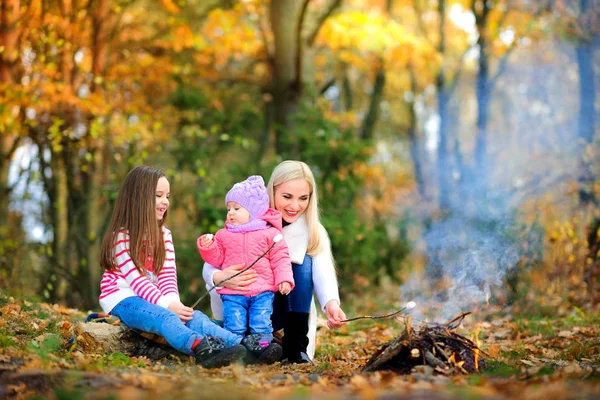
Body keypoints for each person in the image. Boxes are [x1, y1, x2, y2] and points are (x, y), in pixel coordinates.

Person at [98, 165, 247, 369]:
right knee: (165, 317)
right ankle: (201, 348)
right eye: (158, 195)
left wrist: (174, 303)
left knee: (192, 316)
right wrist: (167, 306)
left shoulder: (163, 234)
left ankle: (244, 347)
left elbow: (168, 275)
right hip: (123, 298)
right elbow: (137, 280)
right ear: (137, 198)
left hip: (152, 297)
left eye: (167, 196)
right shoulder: (122, 237)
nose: (165, 202)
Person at [203, 160, 347, 364]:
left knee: (301, 262)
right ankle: (242, 344)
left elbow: (323, 271)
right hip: (239, 304)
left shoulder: (311, 230)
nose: (295, 205)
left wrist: (331, 304)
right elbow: (217, 255)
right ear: (272, 191)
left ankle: (295, 347)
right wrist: (218, 276)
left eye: (303, 198)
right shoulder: (248, 218)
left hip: (284, 309)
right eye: (287, 196)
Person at [197, 175, 295, 364]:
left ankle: (266, 348)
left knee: (261, 322)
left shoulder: (270, 234)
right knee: (234, 323)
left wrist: (284, 279)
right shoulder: (223, 235)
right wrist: (208, 246)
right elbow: (216, 259)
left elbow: (281, 258)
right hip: (234, 293)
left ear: (254, 211)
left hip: (262, 291)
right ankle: (238, 352)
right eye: (228, 209)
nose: (230, 213)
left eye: (236, 208)